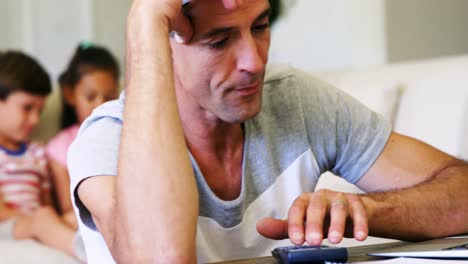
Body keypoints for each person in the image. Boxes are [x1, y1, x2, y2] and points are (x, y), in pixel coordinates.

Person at [68, 0, 468, 263]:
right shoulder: (106, 140)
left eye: (259, 27)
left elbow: (461, 192)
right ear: (163, 47)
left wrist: (365, 211)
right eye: (219, 40)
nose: (254, 62)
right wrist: (144, 21)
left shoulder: (295, 99)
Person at [0, 51, 83, 260]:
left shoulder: (36, 153)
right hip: (8, 226)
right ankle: (92, 256)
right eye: (27, 108)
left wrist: (56, 220)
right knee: (44, 220)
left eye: (40, 111)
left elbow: (46, 204)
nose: (35, 120)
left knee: (74, 218)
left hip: (39, 223)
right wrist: (39, 220)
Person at [46, 43, 120, 229]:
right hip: (84, 221)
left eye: (109, 96)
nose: (100, 105)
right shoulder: (59, 147)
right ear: (70, 95)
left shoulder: (124, 135)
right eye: (90, 96)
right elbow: (69, 209)